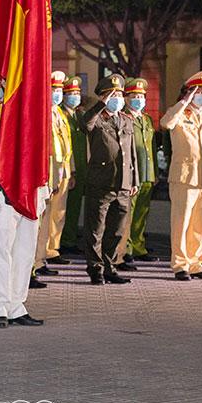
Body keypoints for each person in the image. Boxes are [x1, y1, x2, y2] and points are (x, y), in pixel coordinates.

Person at [0, 72, 43, 329]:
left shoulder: (35, 116)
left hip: (29, 195)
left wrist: (42, 190)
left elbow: (40, 156)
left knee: (25, 252)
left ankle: (17, 304)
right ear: (1, 84)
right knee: (2, 253)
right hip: (2, 196)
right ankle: (0, 307)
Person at [159, 71, 202, 281]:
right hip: (184, 177)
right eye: (200, 92)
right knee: (181, 222)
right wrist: (184, 102)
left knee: (200, 224)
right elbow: (166, 123)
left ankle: (195, 263)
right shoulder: (179, 113)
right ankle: (180, 265)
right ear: (190, 93)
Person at [79, 74, 138, 286]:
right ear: (103, 97)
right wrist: (100, 105)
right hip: (101, 183)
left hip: (123, 184)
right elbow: (85, 124)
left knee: (116, 231)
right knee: (96, 230)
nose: (117, 98)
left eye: (120, 95)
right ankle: (95, 269)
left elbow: (131, 153)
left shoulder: (126, 119)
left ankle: (110, 266)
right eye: (112, 95)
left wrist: (134, 179)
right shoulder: (95, 118)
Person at [34, 71, 73, 285]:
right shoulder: (40, 113)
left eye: (59, 89)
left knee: (52, 217)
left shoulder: (58, 113)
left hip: (59, 172)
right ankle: (34, 262)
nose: (57, 93)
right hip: (47, 174)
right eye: (53, 89)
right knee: (39, 221)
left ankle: (43, 257)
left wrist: (70, 171)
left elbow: (66, 145)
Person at [118, 78, 158, 269]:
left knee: (142, 213)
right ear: (126, 98)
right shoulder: (123, 118)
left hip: (147, 172)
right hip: (132, 174)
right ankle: (125, 249)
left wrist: (154, 172)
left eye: (141, 96)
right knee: (127, 214)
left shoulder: (146, 119)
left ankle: (138, 246)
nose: (139, 100)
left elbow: (151, 148)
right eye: (134, 96)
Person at [59, 75, 86, 257]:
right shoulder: (61, 114)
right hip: (68, 168)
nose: (75, 96)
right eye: (71, 93)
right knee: (63, 208)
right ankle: (61, 241)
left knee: (75, 206)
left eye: (77, 93)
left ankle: (70, 239)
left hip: (82, 167)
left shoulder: (79, 115)